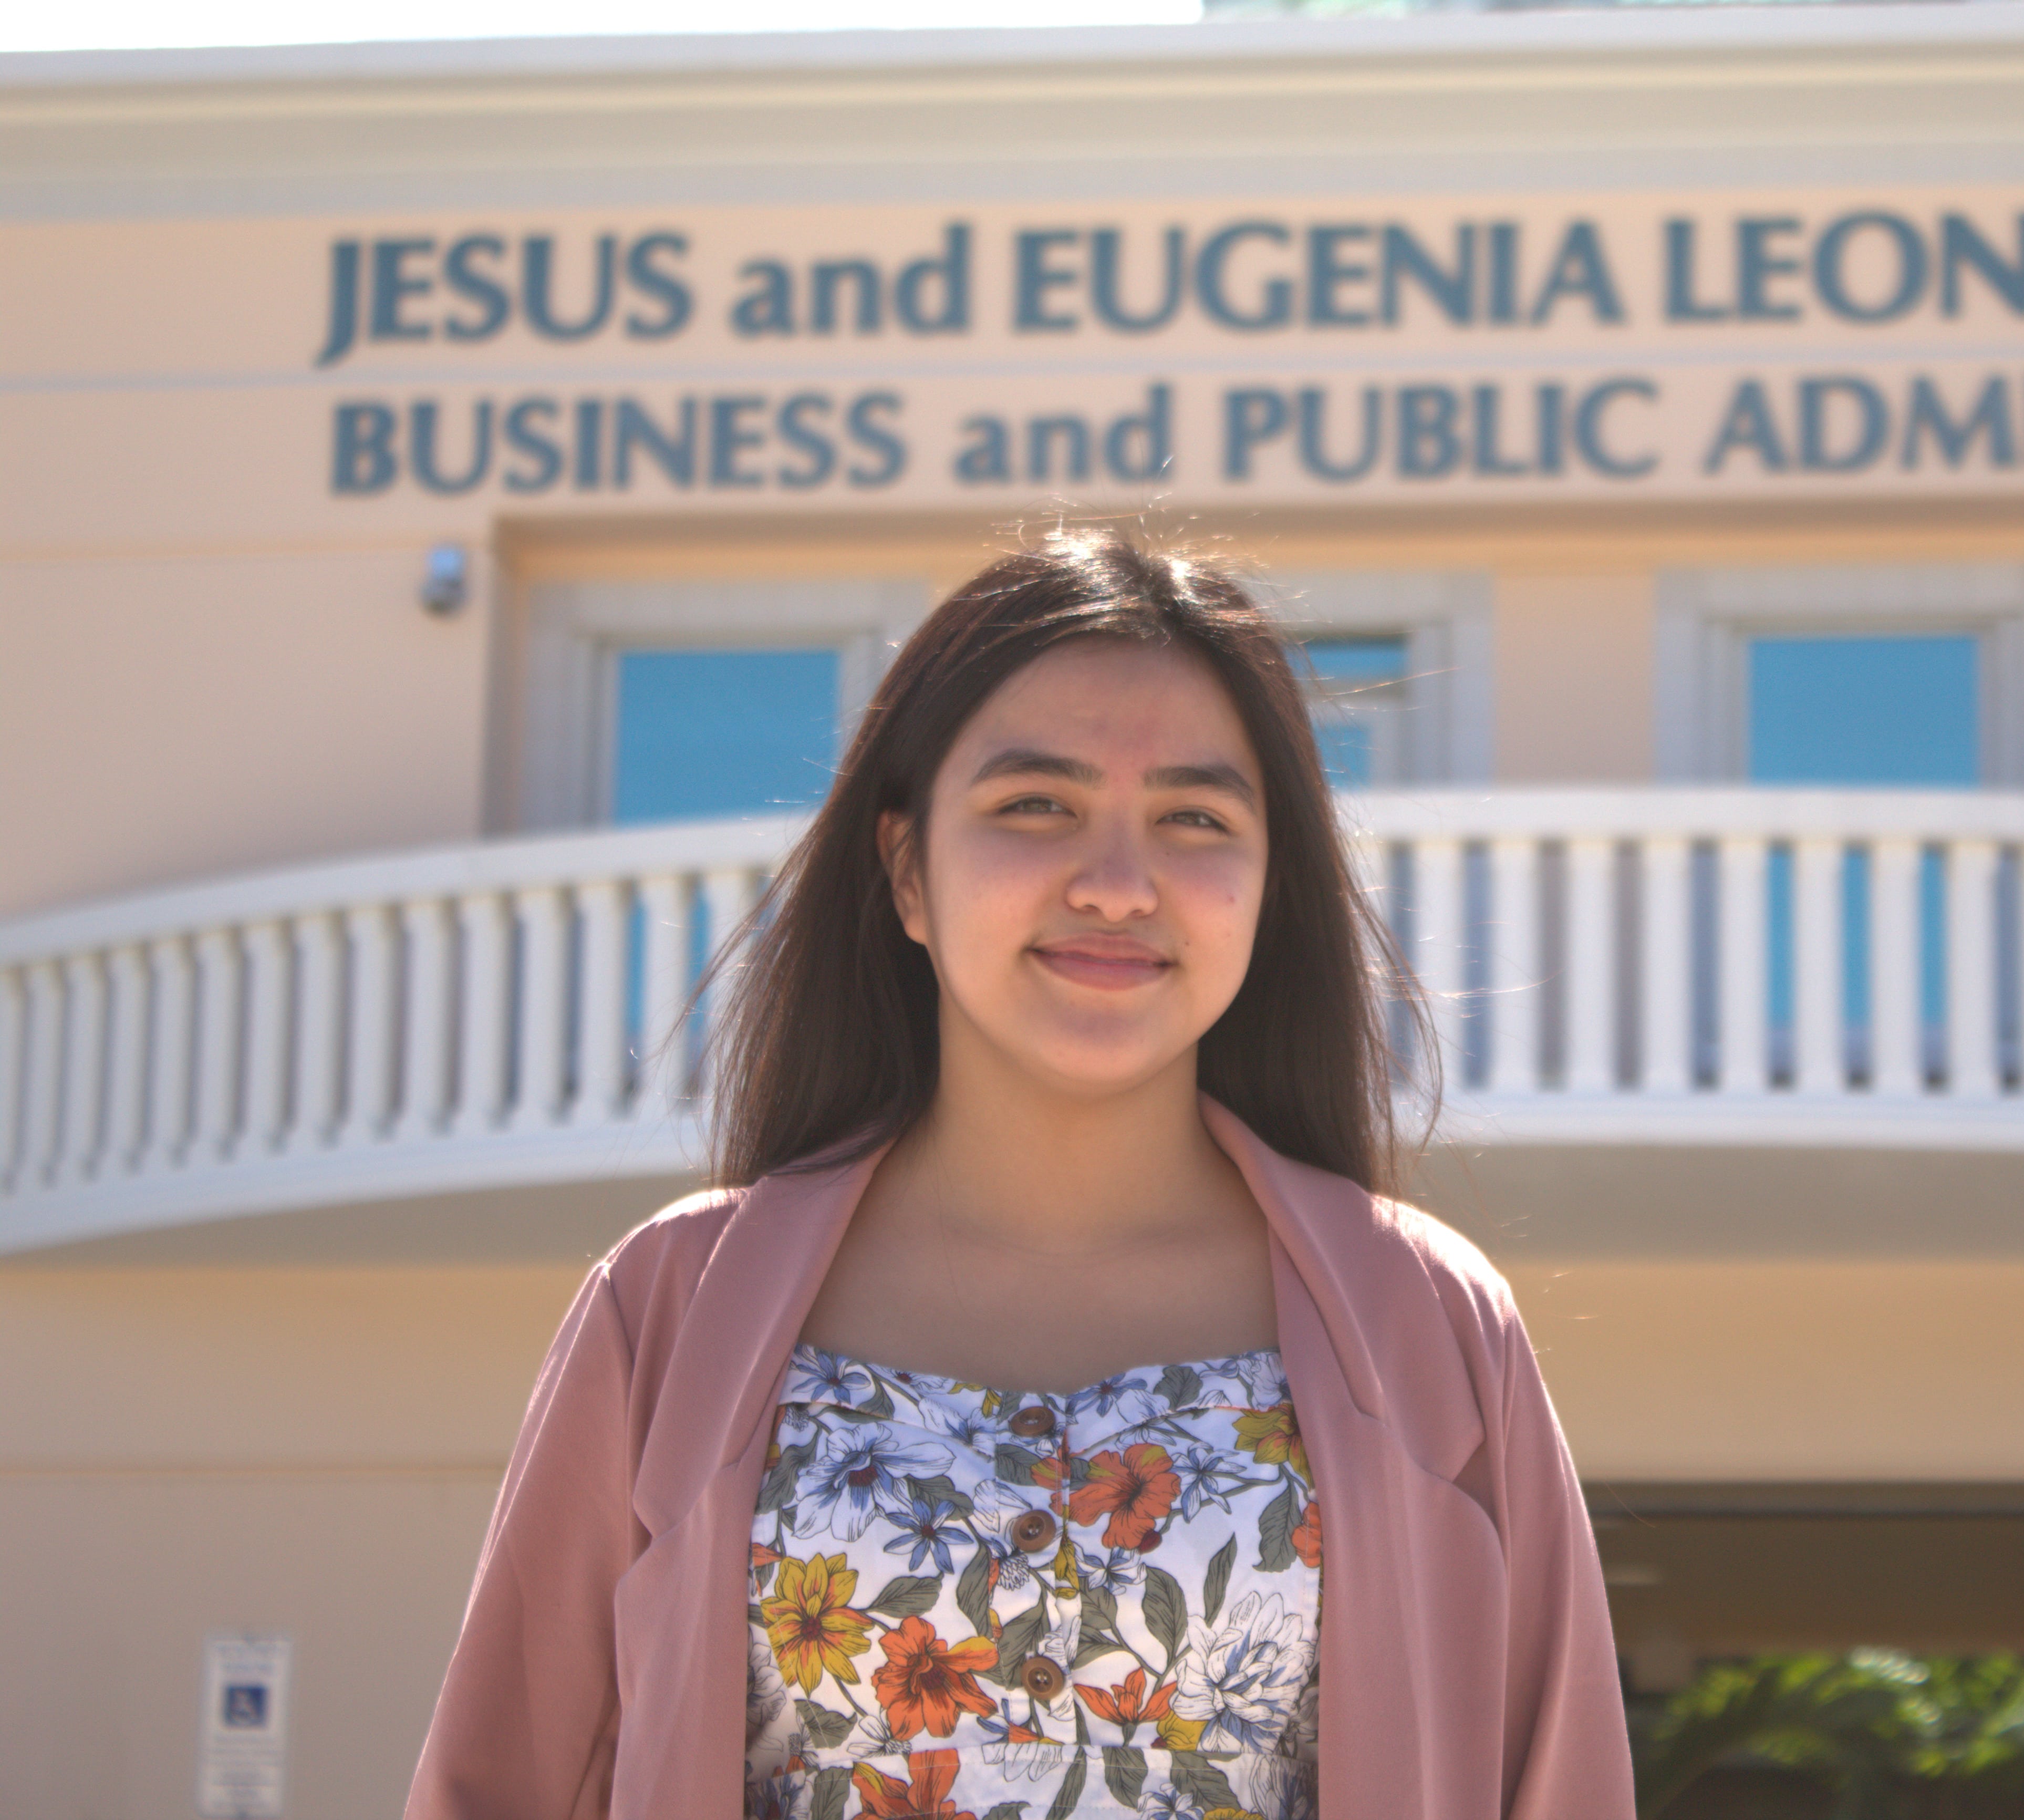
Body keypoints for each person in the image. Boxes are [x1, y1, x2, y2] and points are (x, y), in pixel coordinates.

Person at [404, 530, 1635, 1820]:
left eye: (1194, 818)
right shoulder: (663, 1310)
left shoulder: (1431, 1324)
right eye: (1034, 806)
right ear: (906, 871)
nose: (1116, 885)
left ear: (1268, 885)